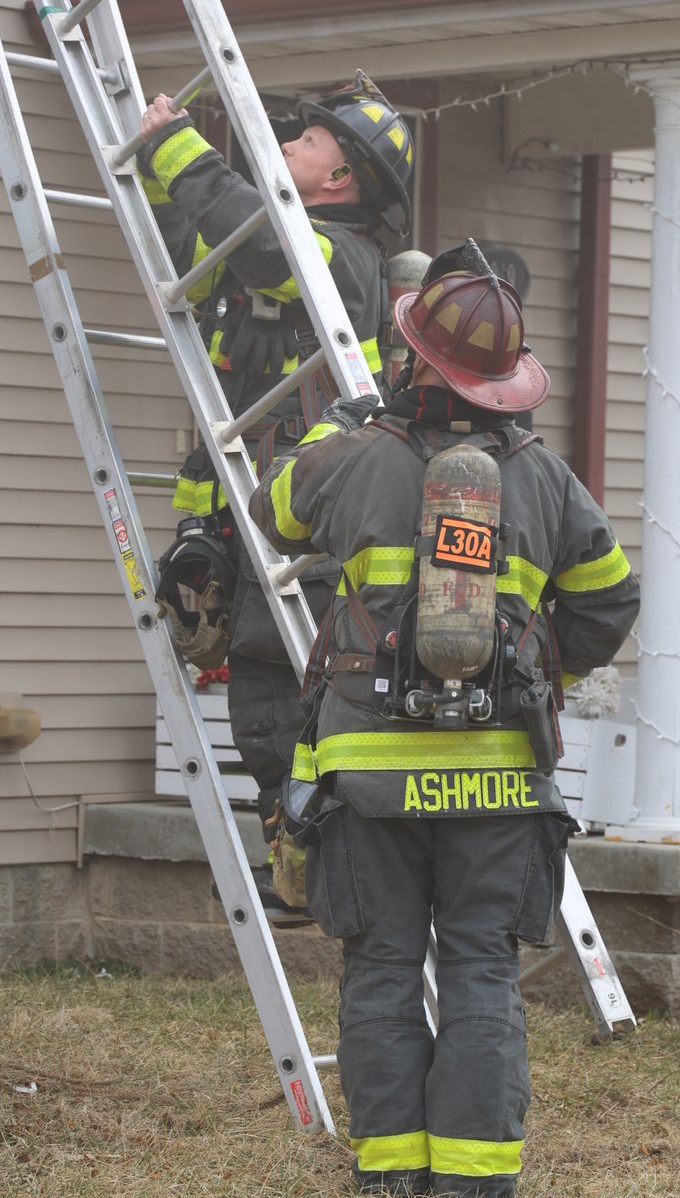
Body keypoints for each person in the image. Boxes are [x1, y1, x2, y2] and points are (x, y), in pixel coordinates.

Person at [249, 240, 640, 1198]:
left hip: (368, 779)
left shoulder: (354, 459)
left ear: (416, 355)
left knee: (382, 970)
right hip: (501, 777)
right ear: (507, 384)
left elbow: (274, 512)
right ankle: (472, 1182)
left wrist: (340, 427)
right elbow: (609, 604)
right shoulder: (545, 481)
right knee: (479, 974)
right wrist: (538, 669)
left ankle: (390, 1178)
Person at [137, 72, 414, 924]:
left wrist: (175, 147)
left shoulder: (342, 261)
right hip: (241, 522)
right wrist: (157, 166)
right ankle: (297, 869)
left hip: (309, 529)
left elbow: (258, 241)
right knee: (261, 707)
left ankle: (337, 868)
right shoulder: (272, 245)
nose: (289, 142)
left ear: (342, 180)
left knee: (304, 700)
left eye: (310, 141)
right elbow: (194, 241)